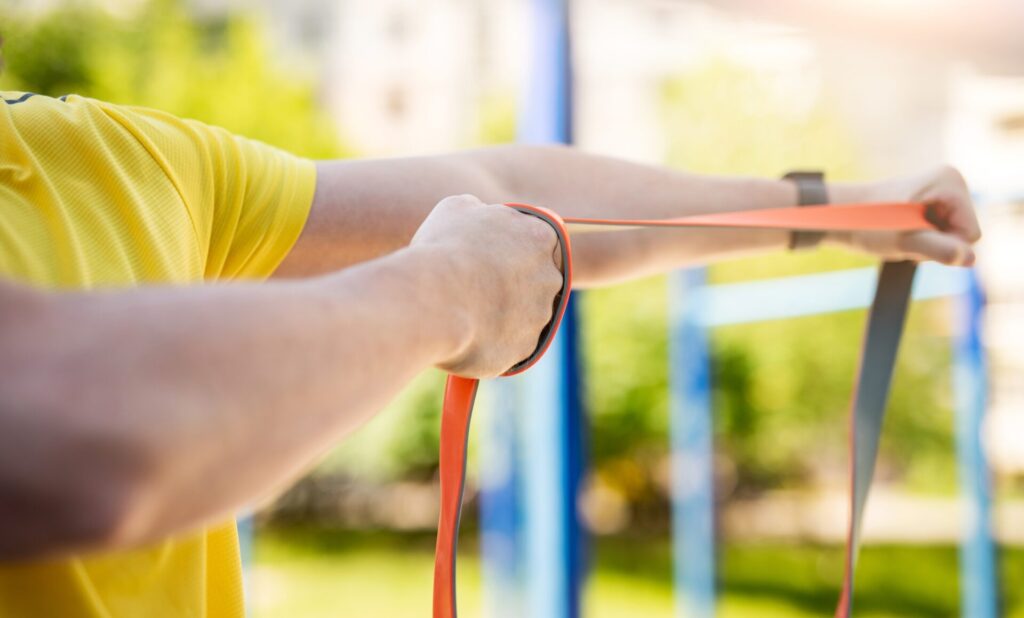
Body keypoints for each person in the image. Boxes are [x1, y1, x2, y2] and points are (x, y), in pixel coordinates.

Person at [0, 90, 980, 617]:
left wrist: (843, 211)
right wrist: (448, 294)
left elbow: (502, 190)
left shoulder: (100, 156)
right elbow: (81, 435)